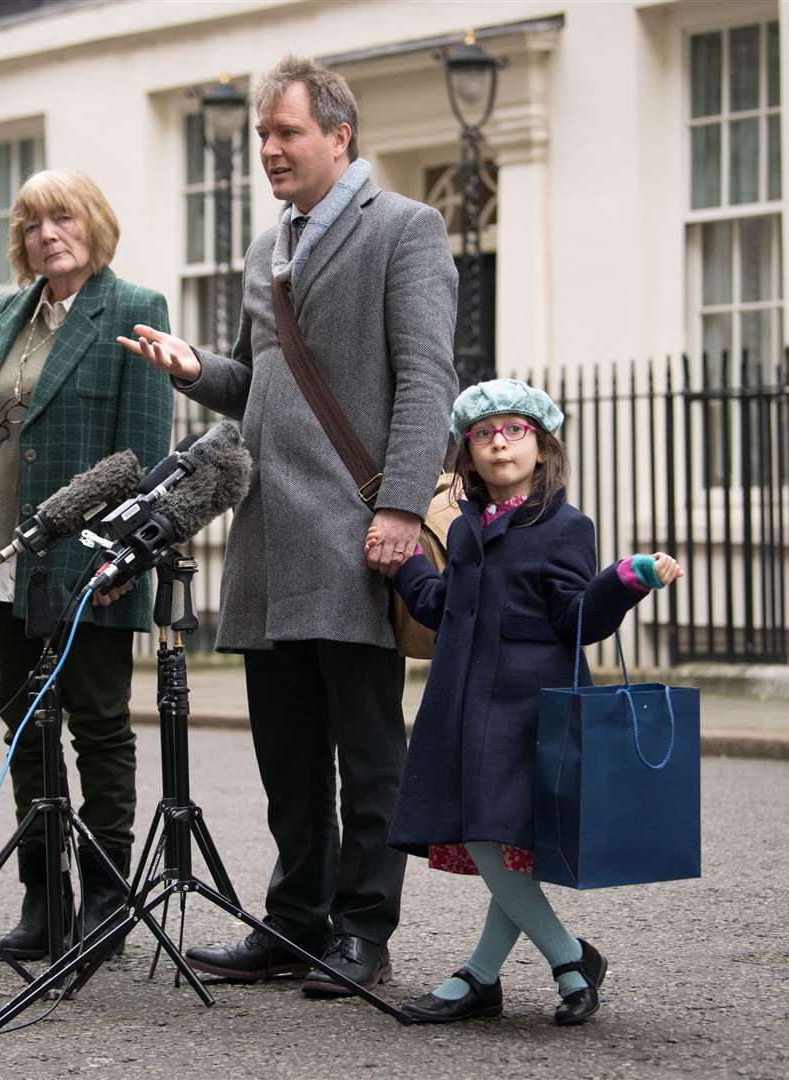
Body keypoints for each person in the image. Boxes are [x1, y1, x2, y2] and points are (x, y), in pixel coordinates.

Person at [119, 56, 457, 996]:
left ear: (339, 137)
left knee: (368, 750)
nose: (268, 150)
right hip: (269, 539)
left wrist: (397, 504)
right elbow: (252, 381)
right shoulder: (266, 250)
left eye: (286, 134)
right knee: (287, 754)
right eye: (262, 137)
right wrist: (191, 368)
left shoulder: (406, 229)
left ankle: (363, 934)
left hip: (357, 532)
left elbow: (430, 379)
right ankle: (294, 920)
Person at [385, 378, 684, 1026]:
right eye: (484, 434)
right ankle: (484, 977)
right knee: (500, 840)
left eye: (514, 431)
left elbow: (579, 615)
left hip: (528, 712)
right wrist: (409, 565)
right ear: (467, 454)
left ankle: (568, 961)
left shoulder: (567, 527)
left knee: (493, 838)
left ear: (542, 446)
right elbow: (441, 609)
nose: (499, 444)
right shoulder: (463, 529)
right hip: (465, 708)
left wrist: (625, 580)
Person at [0, 169, 173, 959]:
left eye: (61, 217)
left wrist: (123, 557)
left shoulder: (134, 309)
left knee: (99, 727)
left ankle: (107, 899)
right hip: (2, 554)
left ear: (94, 223)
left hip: (87, 563)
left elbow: (142, 451)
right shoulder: (3, 315)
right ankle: (46, 902)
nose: (46, 234)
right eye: (31, 222)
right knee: (25, 730)